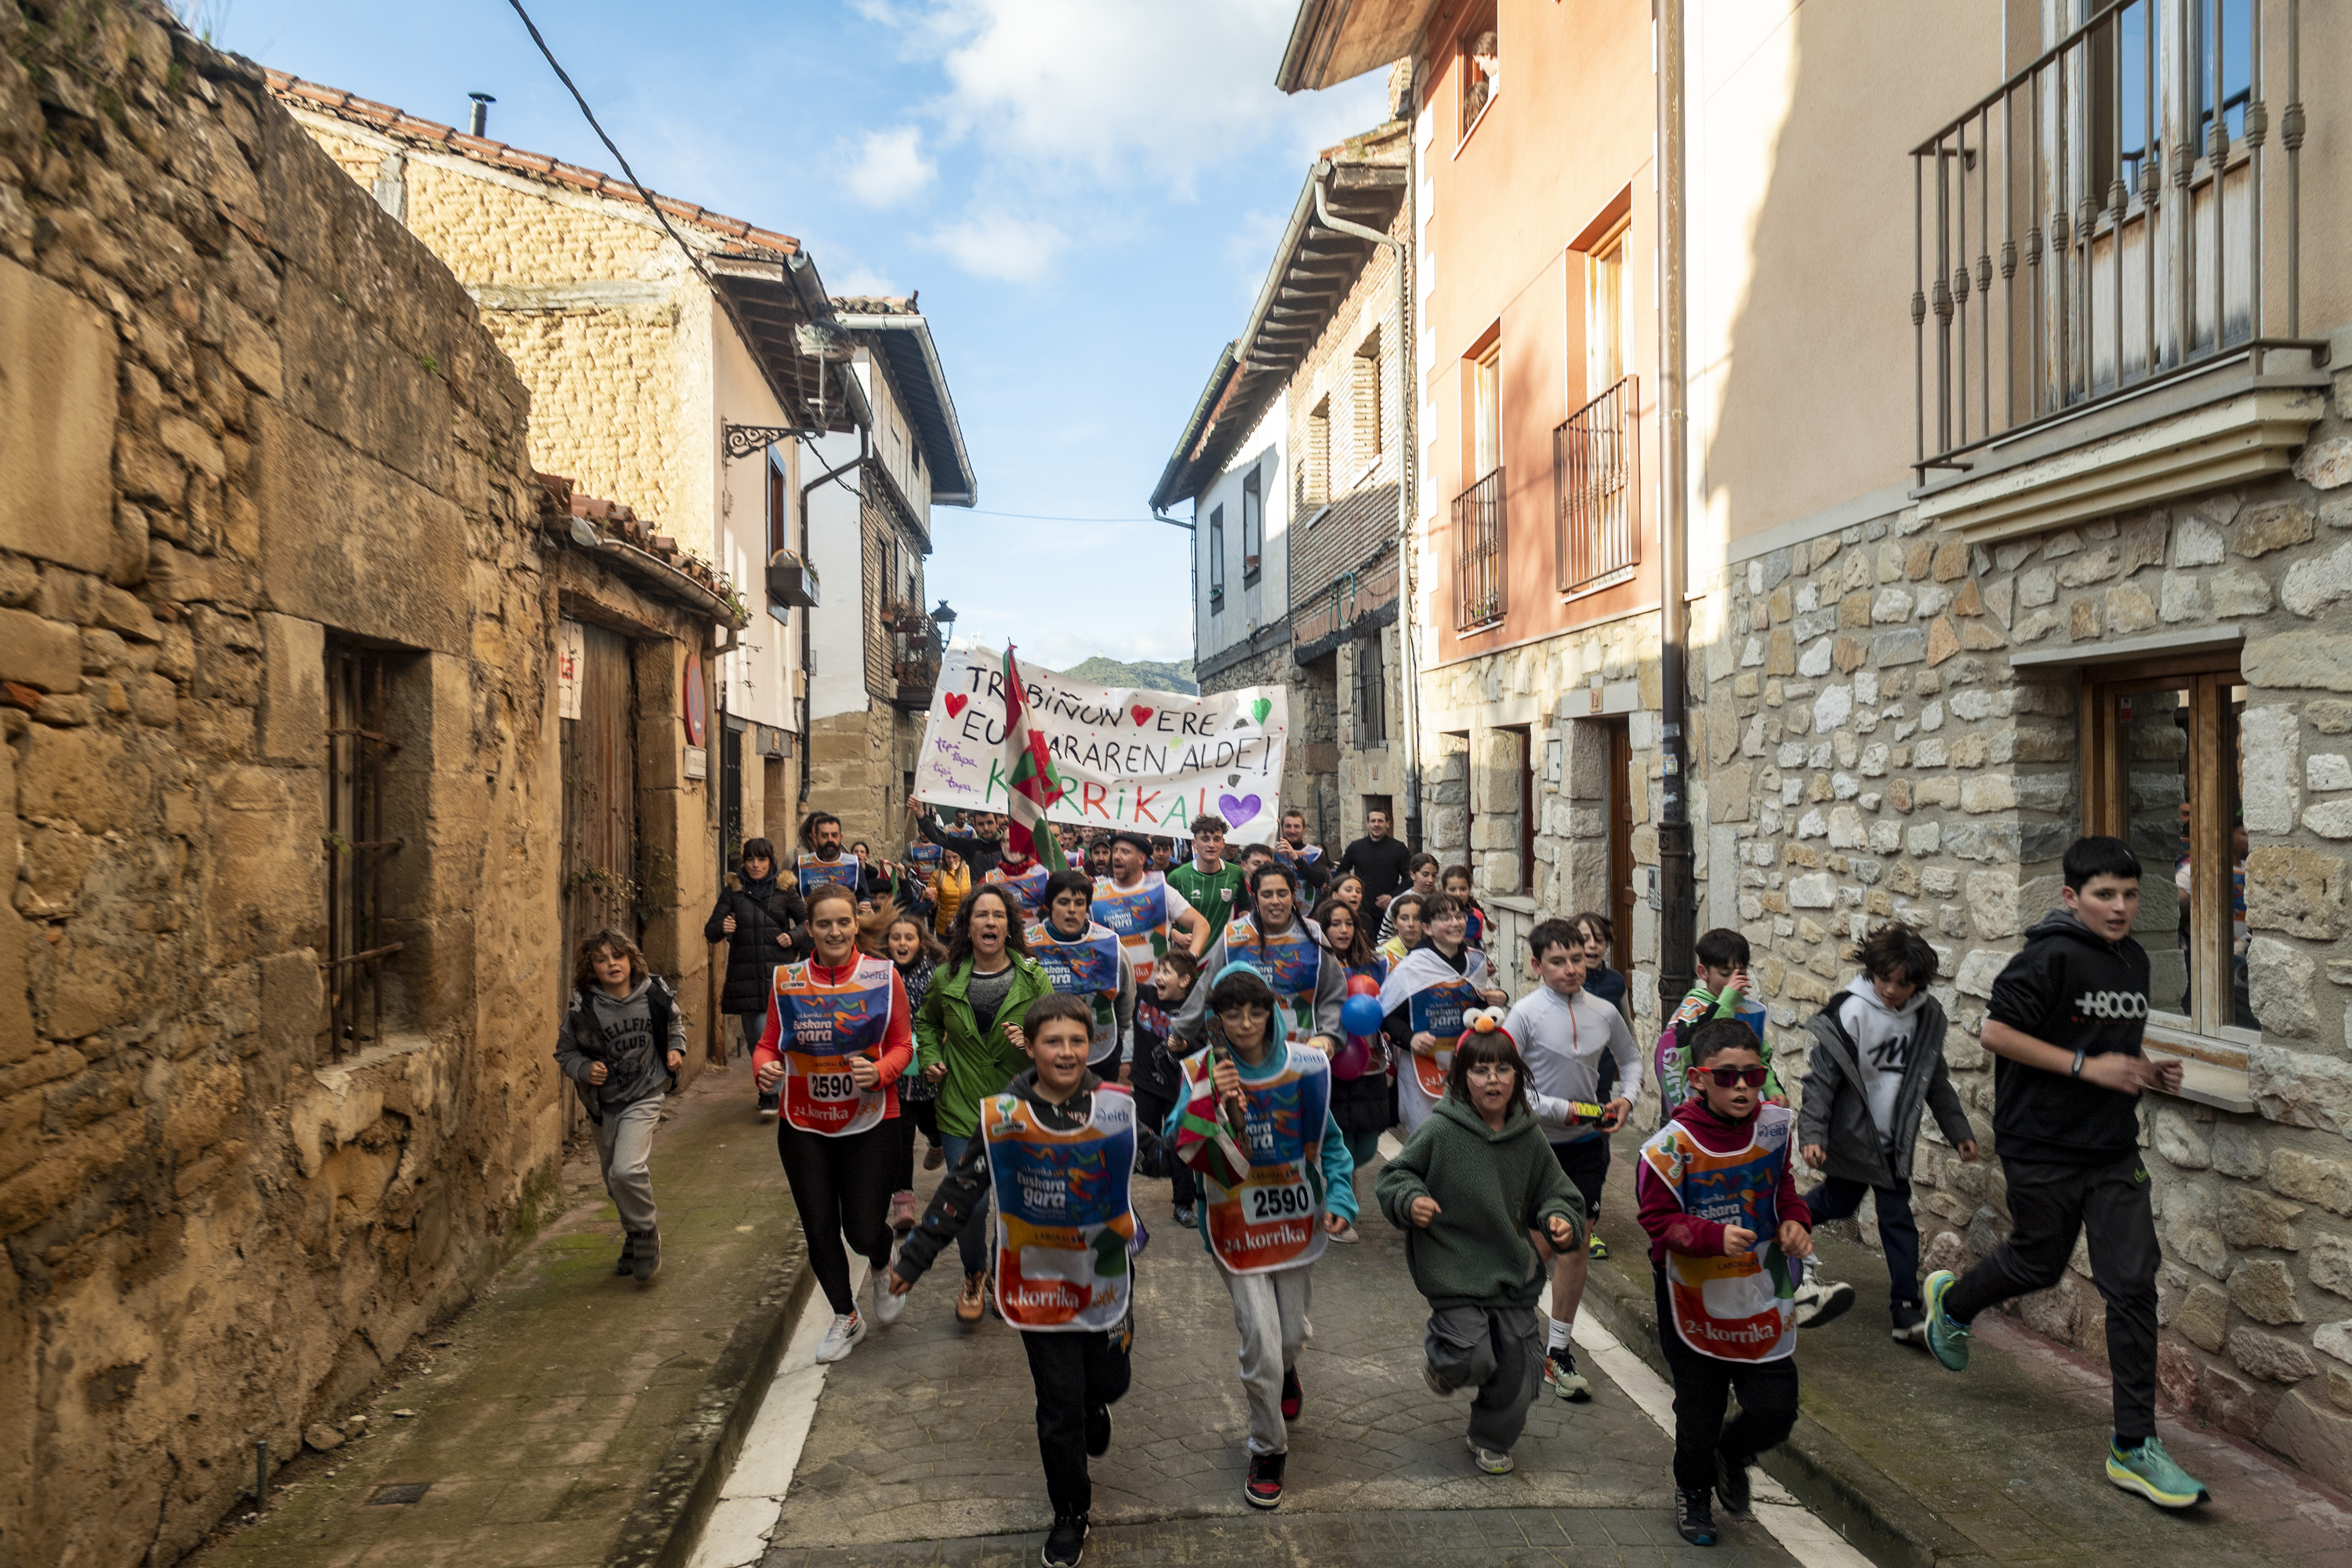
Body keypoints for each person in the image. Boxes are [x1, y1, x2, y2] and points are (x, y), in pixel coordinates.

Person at [1922, 837, 2208, 1510]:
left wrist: (2144, 1070)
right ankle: (1953, 1304)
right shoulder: (2047, 955)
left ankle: (2134, 1446)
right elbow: (1996, 1033)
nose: (2120, 907)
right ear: (2072, 897)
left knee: (2132, 1287)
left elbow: (2110, 1041)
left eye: (2130, 894)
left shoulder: (2134, 959)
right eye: (2105, 894)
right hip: (2041, 1144)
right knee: (2038, 1263)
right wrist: (2087, 1069)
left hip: (2112, 1149)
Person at [888, 994, 1160, 1568]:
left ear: (1091, 1046)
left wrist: (1211, 1122)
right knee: (1056, 1404)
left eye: (1077, 1041)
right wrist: (915, 1259)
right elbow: (961, 1190)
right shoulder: (1004, 1118)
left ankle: (1096, 1406)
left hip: (1107, 1276)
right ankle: (1069, 1511)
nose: (1066, 1052)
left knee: (1106, 1383)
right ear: (1031, 1046)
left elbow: (1158, 1156)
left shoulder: (1114, 1108)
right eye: (1053, 1041)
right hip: (1034, 1281)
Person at [1167, 962, 1354, 1511]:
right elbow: (1177, 1142)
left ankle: (1288, 1369)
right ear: (1217, 1019)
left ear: (1271, 1011)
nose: (1246, 1023)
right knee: (1261, 1348)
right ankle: (1267, 1447)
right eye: (1233, 1013)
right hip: (1234, 1226)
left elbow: (1331, 1142)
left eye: (1255, 1010)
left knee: (1289, 1337)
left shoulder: (1306, 1066)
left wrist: (1341, 1196)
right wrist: (1208, 1098)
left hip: (1295, 1222)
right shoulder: (1200, 1070)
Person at [1377, 1013, 1584, 1476]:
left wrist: (1559, 1218)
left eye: (1503, 1070)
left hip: (1510, 1272)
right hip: (1452, 1267)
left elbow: (1559, 1192)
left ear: (1518, 1075)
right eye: (1479, 1070)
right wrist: (1411, 1201)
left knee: (1520, 1368)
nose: (1493, 1080)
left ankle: (1490, 1436)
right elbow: (1396, 1175)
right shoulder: (1442, 1129)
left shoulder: (1529, 1136)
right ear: (1461, 1078)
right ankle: (1442, 1361)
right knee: (1470, 1353)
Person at [1636, 1018, 1815, 1548]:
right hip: (1691, 1294)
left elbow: (1783, 1188)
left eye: (1752, 1074)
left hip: (1761, 1286)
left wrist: (1795, 1222)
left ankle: (1733, 1454)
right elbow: (1656, 1221)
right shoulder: (1670, 1147)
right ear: (1697, 1078)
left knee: (1776, 1408)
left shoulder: (1774, 1128)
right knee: (1698, 1411)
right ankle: (1693, 1493)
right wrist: (1711, 1237)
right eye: (1727, 1076)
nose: (1742, 1086)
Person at [753, 883, 915, 1362]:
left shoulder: (884, 977)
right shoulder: (787, 981)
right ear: (810, 929)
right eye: (823, 923)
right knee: (819, 1226)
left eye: (843, 921)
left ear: (855, 924)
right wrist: (762, 1068)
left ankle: (883, 1262)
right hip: (804, 1123)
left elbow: (905, 1044)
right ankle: (845, 1316)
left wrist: (882, 1071)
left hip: (870, 1120)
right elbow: (768, 1042)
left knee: (863, 1229)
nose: (834, 931)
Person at [1798, 922, 1978, 1347]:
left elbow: (1935, 1081)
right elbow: (1821, 1081)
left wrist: (1959, 1132)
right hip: (1850, 1137)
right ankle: (1779, 1223)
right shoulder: (1850, 1011)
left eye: (1904, 983)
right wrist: (1813, 1133)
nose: (1892, 990)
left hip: (1893, 1143)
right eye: (1885, 979)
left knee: (1897, 1221)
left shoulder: (1925, 1017)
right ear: (1871, 970)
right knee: (1837, 1202)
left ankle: (1905, 1309)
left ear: (1919, 982)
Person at [1506, 920, 1641, 1402]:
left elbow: (1631, 1061)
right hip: (1534, 1145)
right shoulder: (1523, 1015)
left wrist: (1626, 1100)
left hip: (1587, 1146)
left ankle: (1558, 1352)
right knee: (1539, 1248)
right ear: (1537, 965)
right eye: (1559, 962)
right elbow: (1506, 1082)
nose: (1572, 969)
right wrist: (1562, 1109)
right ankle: (1504, 1323)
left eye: (1578, 959)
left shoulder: (1604, 1010)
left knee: (1575, 1245)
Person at [913, 884, 1054, 1323]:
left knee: (1012, 1202)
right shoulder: (945, 977)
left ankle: (1002, 1274)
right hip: (961, 1107)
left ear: (1010, 925)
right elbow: (926, 1021)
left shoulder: (1033, 976)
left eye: (998, 915)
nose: (990, 922)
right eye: (981, 915)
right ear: (966, 925)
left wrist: (1031, 1045)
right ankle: (974, 1273)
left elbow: (1055, 1034)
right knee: (970, 1203)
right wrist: (932, 1059)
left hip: (1018, 1107)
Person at [556, 928, 686, 1284]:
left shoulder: (654, 995)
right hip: (605, 1105)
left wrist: (675, 1050)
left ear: (631, 960)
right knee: (614, 1180)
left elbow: (675, 1024)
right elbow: (565, 1052)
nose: (612, 964)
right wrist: (583, 1069)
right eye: (602, 959)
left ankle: (646, 1233)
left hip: (645, 1094)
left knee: (627, 1171)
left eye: (618, 956)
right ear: (591, 968)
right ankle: (632, 1236)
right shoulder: (585, 1008)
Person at [1173, 863, 1345, 1069]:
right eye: (1267, 894)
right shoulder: (1234, 935)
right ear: (1255, 897)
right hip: (1246, 1059)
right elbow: (1207, 987)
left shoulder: (1313, 934)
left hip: (1304, 1055)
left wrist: (1329, 1035)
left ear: (1293, 895)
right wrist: (1180, 1031)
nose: (1275, 902)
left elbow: (1334, 992)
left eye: (1282, 893)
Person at [1377, 894, 1508, 1138]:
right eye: (1444, 918)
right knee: (1430, 1140)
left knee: (1470, 1135)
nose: (1454, 923)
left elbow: (1477, 1010)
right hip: (1421, 1066)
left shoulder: (1475, 961)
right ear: (1427, 928)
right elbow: (1387, 1015)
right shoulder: (1411, 967)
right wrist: (1410, 1038)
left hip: (1467, 1062)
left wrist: (1497, 1002)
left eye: (1458, 916)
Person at [704, 837, 809, 1116]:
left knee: (767, 1032)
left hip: (778, 975)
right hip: (745, 975)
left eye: (761, 859)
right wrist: (722, 926)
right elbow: (711, 930)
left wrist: (794, 935)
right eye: (750, 859)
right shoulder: (733, 891)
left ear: (771, 862)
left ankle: (770, 1092)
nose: (755, 865)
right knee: (755, 1040)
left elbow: (808, 922)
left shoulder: (786, 890)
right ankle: (769, 1086)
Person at [1311, 896, 1388, 1240]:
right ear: (1322, 928)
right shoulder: (1314, 963)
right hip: (1331, 1064)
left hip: (1369, 1064)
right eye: (1335, 924)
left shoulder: (1375, 963)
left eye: (1349, 924)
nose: (1343, 930)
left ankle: (1345, 1182)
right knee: (1339, 1138)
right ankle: (1340, 1207)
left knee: (1368, 1143)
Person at [876, 908, 947, 1227]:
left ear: (921, 942)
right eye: (896, 938)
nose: (902, 943)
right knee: (900, 1137)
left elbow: (946, 1014)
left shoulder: (934, 974)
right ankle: (903, 1201)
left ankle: (937, 1142)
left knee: (931, 1122)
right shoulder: (876, 975)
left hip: (927, 1070)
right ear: (887, 943)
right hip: (894, 1072)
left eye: (909, 937)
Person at [1030, 869, 1138, 1080]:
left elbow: (1127, 997)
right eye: (1063, 902)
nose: (1072, 910)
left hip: (1101, 1054)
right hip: (1044, 1056)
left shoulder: (1110, 944)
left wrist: (1121, 1041)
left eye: (1079, 903)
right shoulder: (1028, 944)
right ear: (1049, 906)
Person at [1127, 948, 1203, 1227]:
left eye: (1165, 972)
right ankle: (1120, 1202)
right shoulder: (1144, 996)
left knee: (1180, 1149)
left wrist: (1186, 1046)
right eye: (1158, 971)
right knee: (1132, 1145)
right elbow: (1121, 981)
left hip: (1178, 1094)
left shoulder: (1194, 1011)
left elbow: (1205, 1045)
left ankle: (1183, 1204)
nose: (1158, 976)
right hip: (1146, 1086)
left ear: (1185, 981)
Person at [1093, 830, 1211, 987]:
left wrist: (1190, 959)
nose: (1116, 856)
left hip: (1158, 989)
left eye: (1125, 852)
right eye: (1115, 851)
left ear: (1142, 858)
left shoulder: (1159, 890)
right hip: (1116, 989)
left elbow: (1201, 924)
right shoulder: (1096, 895)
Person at [1166, 813, 1247, 939]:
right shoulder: (1177, 877)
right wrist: (1175, 935)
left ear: (1223, 843)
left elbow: (1245, 905)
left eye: (1216, 839)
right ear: (1194, 843)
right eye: (1205, 839)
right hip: (1190, 954)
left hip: (1225, 953)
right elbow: (1161, 918)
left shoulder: (1235, 873)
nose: (1211, 844)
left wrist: (1243, 926)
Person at [1335, 808, 1414, 915]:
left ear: (1388, 823)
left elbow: (1410, 878)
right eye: (1373, 821)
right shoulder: (1356, 847)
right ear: (1368, 824)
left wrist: (1392, 896)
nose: (1376, 824)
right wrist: (1350, 893)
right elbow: (1341, 873)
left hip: (1389, 909)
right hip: (1361, 909)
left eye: (1380, 821)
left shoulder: (1399, 848)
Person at [797, 811, 885, 903]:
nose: (830, 840)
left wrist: (865, 904)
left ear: (841, 837)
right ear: (815, 837)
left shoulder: (853, 864)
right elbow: (793, 900)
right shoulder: (803, 864)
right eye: (824, 836)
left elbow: (865, 896)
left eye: (834, 835)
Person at [910, 800, 1007, 880]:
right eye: (981, 824)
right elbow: (939, 838)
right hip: (980, 900)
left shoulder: (1011, 843)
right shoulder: (970, 847)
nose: (986, 828)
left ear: (997, 823)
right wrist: (921, 814)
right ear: (975, 827)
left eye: (990, 823)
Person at [1374, 855, 1443, 946]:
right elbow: (1384, 937)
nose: (1430, 880)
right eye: (1425, 875)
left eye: (1434, 875)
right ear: (1413, 875)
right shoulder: (1399, 901)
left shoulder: (1441, 900)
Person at [1572, 911, 1629, 1017]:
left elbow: (1627, 1027)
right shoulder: (1565, 983)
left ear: (1607, 943)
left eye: (1599, 939)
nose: (1593, 945)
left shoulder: (1617, 982)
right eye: (1585, 939)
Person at [1270, 808, 1330, 896]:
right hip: (1277, 903)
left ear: (1304, 829)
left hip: (1310, 907)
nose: (1292, 831)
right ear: (1282, 828)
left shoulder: (1316, 853)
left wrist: (1296, 858)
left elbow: (1319, 881)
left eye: (1297, 826)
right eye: (1288, 826)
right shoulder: (1272, 850)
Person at [927, 844, 971, 938]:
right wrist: (929, 897)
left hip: (967, 927)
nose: (951, 860)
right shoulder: (938, 875)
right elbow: (932, 904)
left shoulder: (969, 871)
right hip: (945, 929)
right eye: (948, 857)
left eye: (955, 857)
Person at [1440, 864, 1487, 950]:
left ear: (1469, 889)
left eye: (1463, 889)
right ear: (1444, 890)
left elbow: (1477, 947)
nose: (1458, 894)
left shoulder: (1477, 916)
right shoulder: (1436, 915)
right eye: (1452, 890)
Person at [1377, 891, 1426, 968]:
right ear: (1394, 923)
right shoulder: (1382, 957)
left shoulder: (1432, 953)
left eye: (1417, 918)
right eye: (1404, 918)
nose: (1411, 924)